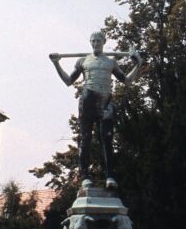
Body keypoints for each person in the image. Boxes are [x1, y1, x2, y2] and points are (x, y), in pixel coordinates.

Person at [50, 31, 142, 189]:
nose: (96, 43)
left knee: (107, 139)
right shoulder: (83, 61)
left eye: (99, 40)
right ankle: (85, 176)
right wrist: (56, 64)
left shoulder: (111, 62)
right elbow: (68, 81)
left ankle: (110, 176)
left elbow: (126, 81)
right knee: (85, 138)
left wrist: (137, 65)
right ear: (90, 42)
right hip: (88, 100)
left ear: (104, 42)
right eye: (93, 40)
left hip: (105, 101)